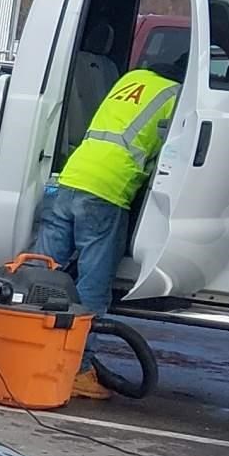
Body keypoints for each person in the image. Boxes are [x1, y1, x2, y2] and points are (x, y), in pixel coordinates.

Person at [28, 57, 180, 396]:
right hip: (107, 193)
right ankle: (77, 370)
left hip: (70, 179)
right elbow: (175, 154)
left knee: (41, 276)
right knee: (92, 287)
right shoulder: (176, 97)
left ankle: (29, 355)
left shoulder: (133, 79)